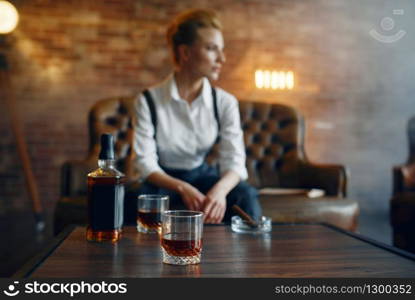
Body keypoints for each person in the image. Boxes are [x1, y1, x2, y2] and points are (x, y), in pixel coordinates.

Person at [128, 8, 261, 224]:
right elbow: (145, 164)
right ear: (185, 53)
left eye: (221, 50)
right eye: (211, 49)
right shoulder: (147, 100)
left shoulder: (225, 102)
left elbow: (235, 163)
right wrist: (182, 187)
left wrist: (219, 192)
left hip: (202, 175)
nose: (222, 58)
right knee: (135, 197)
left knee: (245, 196)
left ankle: (247, 257)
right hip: (163, 179)